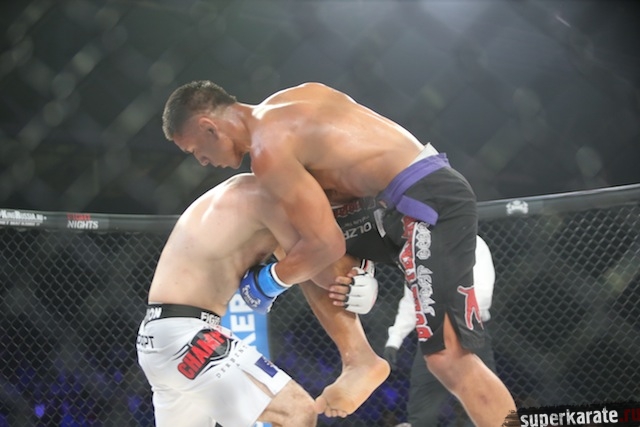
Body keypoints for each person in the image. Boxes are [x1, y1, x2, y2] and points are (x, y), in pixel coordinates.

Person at [161, 80, 517, 426]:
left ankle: (360, 352)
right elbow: (344, 188)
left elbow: (326, 244)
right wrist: (357, 267)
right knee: (293, 229)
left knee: (447, 357)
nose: (202, 161)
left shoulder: (268, 150)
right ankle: (359, 356)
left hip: (422, 199)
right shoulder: (294, 98)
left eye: (194, 151)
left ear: (208, 127)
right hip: (391, 204)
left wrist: (270, 281)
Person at [136, 173, 388, 427]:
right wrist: (361, 271)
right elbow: (325, 266)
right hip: (188, 338)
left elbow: (308, 268)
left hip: (162, 335)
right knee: (296, 411)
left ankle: (360, 358)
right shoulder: (271, 198)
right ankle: (360, 357)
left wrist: (360, 273)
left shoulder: (248, 198)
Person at [383, 235, 499, 427]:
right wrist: (394, 340)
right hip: (433, 333)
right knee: (421, 410)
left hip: (467, 329)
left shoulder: (471, 242)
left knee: (484, 401)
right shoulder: (414, 250)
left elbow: (482, 294)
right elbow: (412, 300)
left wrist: (444, 313)